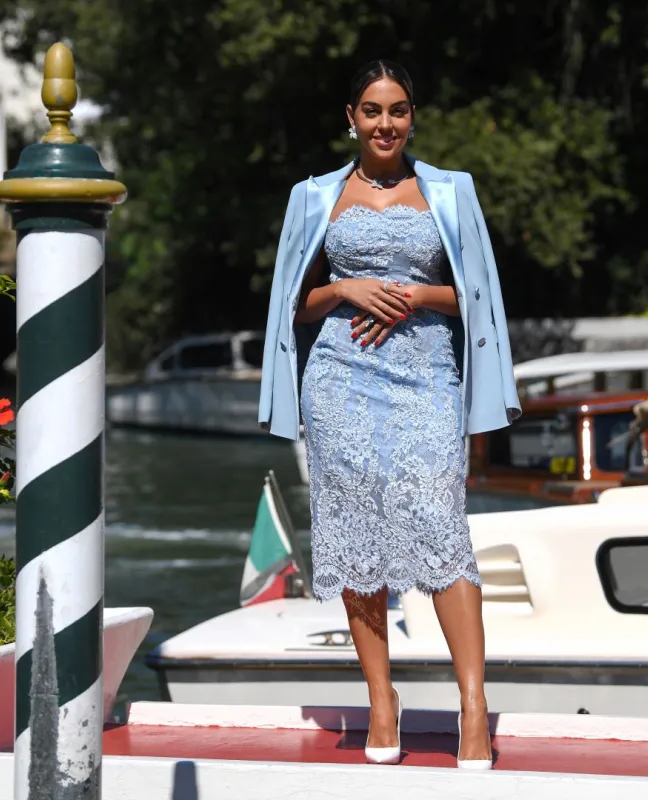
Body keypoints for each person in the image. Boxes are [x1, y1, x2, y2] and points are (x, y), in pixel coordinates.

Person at [257, 59, 521, 769]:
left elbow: (478, 298)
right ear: (351, 116)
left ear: (413, 117)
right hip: (339, 377)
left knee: (441, 518)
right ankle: (382, 700)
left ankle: (473, 706)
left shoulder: (451, 192)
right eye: (372, 111)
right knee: (356, 532)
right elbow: (295, 304)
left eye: (398, 110)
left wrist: (409, 295)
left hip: (426, 374)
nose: (385, 124)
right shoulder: (312, 197)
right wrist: (349, 290)